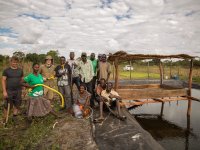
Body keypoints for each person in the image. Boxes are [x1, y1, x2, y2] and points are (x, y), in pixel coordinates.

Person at [2, 56, 24, 123]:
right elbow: (3, 80)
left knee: (17, 104)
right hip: (9, 91)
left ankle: (14, 117)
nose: (15, 63)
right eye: (13, 62)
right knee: (7, 105)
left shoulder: (20, 70)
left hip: (18, 90)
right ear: (11, 62)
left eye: (16, 62)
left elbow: (22, 80)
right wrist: (4, 91)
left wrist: (23, 90)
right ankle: (5, 119)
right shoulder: (6, 70)